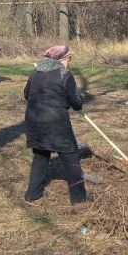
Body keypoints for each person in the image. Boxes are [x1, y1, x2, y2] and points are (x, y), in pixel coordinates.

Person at [23, 45, 88, 205]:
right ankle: (79, 201)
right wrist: (69, 102)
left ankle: (32, 195)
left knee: (40, 156)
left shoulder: (35, 72)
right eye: (69, 59)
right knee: (71, 158)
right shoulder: (64, 74)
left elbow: (26, 94)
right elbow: (77, 101)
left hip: (34, 121)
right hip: (56, 124)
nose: (69, 63)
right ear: (62, 59)